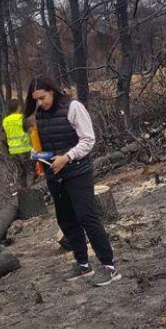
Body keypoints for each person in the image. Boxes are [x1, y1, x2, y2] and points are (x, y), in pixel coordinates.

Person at [24, 77, 120, 287]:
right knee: (66, 219)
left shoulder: (73, 107)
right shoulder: (39, 114)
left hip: (77, 171)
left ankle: (108, 265)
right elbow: (45, 142)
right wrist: (38, 155)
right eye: (36, 100)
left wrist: (67, 157)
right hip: (54, 174)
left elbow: (88, 140)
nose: (40, 103)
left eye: (42, 98)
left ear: (52, 91)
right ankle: (82, 263)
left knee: (87, 217)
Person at [1, 99, 32, 187]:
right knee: (30, 171)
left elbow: (4, 135)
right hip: (25, 149)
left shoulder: (5, 121)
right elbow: (30, 133)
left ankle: (22, 191)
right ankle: (31, 191)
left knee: (20, 172)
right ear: (18, 107)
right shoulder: (22, 119)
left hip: (13, 151)